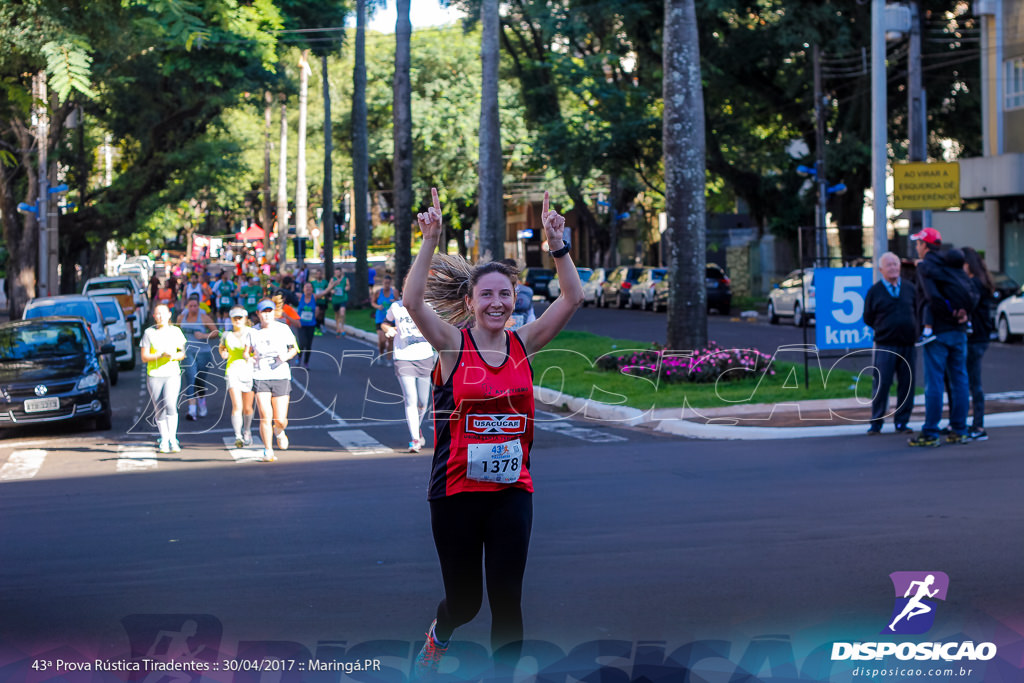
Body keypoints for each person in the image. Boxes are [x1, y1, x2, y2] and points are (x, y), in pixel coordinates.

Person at [404, 188, 584, 677]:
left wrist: (558, 244)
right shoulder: (449, 345)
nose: (497, 302)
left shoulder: (525, 343)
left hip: (511, 492)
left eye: (505, 293)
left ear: (514, 300)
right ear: (470, 302)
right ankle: (439, 634)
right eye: (487, 294)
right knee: (464, 603)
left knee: (508, 601)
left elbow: (573, 297)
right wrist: (430, 239)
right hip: (456, 494)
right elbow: (412, 300)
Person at [908, 228, 971, 447]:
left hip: (937, 331)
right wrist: (961, 313)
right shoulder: (952, 264)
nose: (917, 247)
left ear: (925, 246)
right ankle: (960, 429)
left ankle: (930, 432)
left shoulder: (927, 267)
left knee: (934, 383)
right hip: (960, 330)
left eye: (918, 243)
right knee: (960, 380)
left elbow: (932, 297)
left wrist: (946, 313)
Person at [863, 252, 917, 435]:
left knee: (907, 384)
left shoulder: (910, 288)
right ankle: (876, 422)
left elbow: (917, 311)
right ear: (881, 270)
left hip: (908, 344)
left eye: (895, 264)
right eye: (889, 265)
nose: (893, 268)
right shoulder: (875, 291)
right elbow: (868, 317)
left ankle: (902, 422)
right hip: (886, 345)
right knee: (882, 383)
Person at [382, 281, 436, 452]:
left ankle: (417, 430)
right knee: (410, 399)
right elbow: (384, 322)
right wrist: (387, 329)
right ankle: (414, 439)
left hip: (425, 356)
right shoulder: (396, 307)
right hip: (403, 357)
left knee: (423, 402)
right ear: (403, 290)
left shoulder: (428, 307)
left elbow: (439, 326)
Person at [250, 300, 299, 462]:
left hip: (280, 375)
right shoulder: (253, 332)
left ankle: (279, 431)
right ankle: (268, 449)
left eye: (270, 311)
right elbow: (246, 352)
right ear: (258, 314)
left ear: (274, 313)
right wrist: (250, 357)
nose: (267, 315)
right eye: (263, 312)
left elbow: (294, 348)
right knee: (265, 415)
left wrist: (285, 356)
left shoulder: (283, 329)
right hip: (260, 375)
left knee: (280, 419)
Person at [140, 304, 187, 454]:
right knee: (159, 408)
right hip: (154, 375)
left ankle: (173, 438)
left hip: (172, 373)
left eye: (163, 313)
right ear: (154, 316)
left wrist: (172, 356)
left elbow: (182, 354)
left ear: (169, 315)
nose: (160, 316)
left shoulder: (176, 332)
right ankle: (164, 439)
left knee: (171, 404)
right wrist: (160, 355)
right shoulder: (149, 333)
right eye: (157, 314)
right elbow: (144, 356)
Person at [961, 246, 996, 441]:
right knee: (973, 382)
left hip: (974, 337)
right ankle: (976, 423)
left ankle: (977, 425)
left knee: (972, 382)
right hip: (982, 336)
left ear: (967, 265)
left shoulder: (974, 284)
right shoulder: (984, 282)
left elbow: (968, 305)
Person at [176, 294, 219, 421]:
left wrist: (204, 335)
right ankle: (192, 410)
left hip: (203, 353)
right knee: (190, 377)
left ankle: (202, 401)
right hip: (187, 352)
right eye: (191, 306)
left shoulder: (204, 317)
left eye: (195, 306)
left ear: (198, 306)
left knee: (199, 380)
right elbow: (176, 331)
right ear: (187, 306)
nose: (193, 308)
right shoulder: (181, 317)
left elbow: (216, 332)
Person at [219, 307, 256, 448]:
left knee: (247, 408)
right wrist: (223, 353)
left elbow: (257, 349)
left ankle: (247, 430)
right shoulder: (227, 334)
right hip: (232, 371)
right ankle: (238, 436)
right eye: (235, 318)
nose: (238, 320)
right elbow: (222, 347)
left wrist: (253, 356)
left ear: (246, 318)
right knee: (237, 406)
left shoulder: (252, 333)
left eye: (240, 317)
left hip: (249, 371)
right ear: (231, 319)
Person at [503, 259, 536, 331]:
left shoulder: (527, 291)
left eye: (512, 272)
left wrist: (530, 330)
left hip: (522, 332)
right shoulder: (496, 293)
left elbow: (530, 313)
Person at [372, 274, 397, 364]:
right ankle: (381, 353)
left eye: (388, 283)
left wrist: (394, 302)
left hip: (391, 320)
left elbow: (399, 302)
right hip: (380, 319)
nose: (387, 285)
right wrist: (378, 306)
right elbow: (373, 302)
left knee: (390, 340)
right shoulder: (378, 292)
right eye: (385, 283)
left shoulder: (394, 292)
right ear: (383, 282)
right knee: (382, 340)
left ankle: (388, 359)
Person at [295, 281, 319, 368]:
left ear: (312, 289)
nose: (308, 289)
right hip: (301, 325)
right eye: (306, 287)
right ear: (303, 289)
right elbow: (289, 292)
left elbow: (325, 291)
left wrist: (331, 285)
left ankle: (306, 362)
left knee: (308, 345)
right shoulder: (300, 296)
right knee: (302, 343)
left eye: (310, 287)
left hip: (311, 325)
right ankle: (299, 357)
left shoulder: (314, 297)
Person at [328, 270, 351, 337]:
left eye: (339, 272)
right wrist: (332, 291)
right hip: (335, 299)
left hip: (343, 299)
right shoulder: (332, 279)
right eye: (336, 272)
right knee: (337, 314)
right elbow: (329, 288)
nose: (338, 273)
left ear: (341, 272)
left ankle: (342, 328)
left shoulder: (345, 279)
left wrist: (347, 288)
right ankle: (338, 327)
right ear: (335, 273)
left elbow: (348, 286)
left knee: (342, 312)